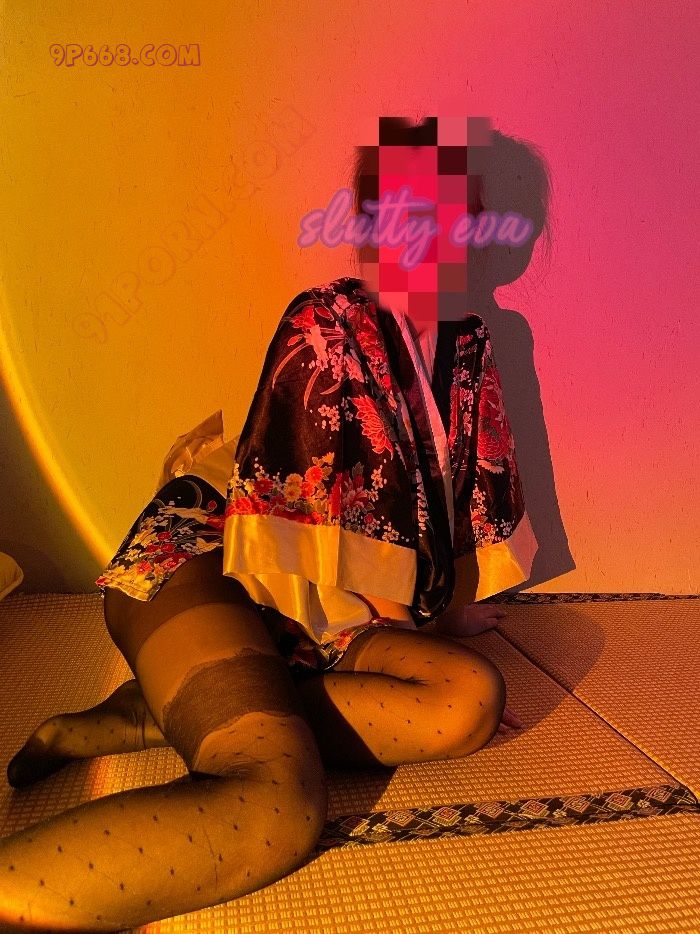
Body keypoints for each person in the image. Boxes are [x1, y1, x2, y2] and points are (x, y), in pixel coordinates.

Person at [1, 117, 545, 931]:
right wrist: (410, 625)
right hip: (214, 560)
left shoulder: (472, 347)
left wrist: (451, 610)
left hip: (331, 617)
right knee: (273, 799)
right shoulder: (323, 321)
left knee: (469, 697)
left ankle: (151, 713)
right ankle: (189, 704)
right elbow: (324, 499)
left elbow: (475, 487)